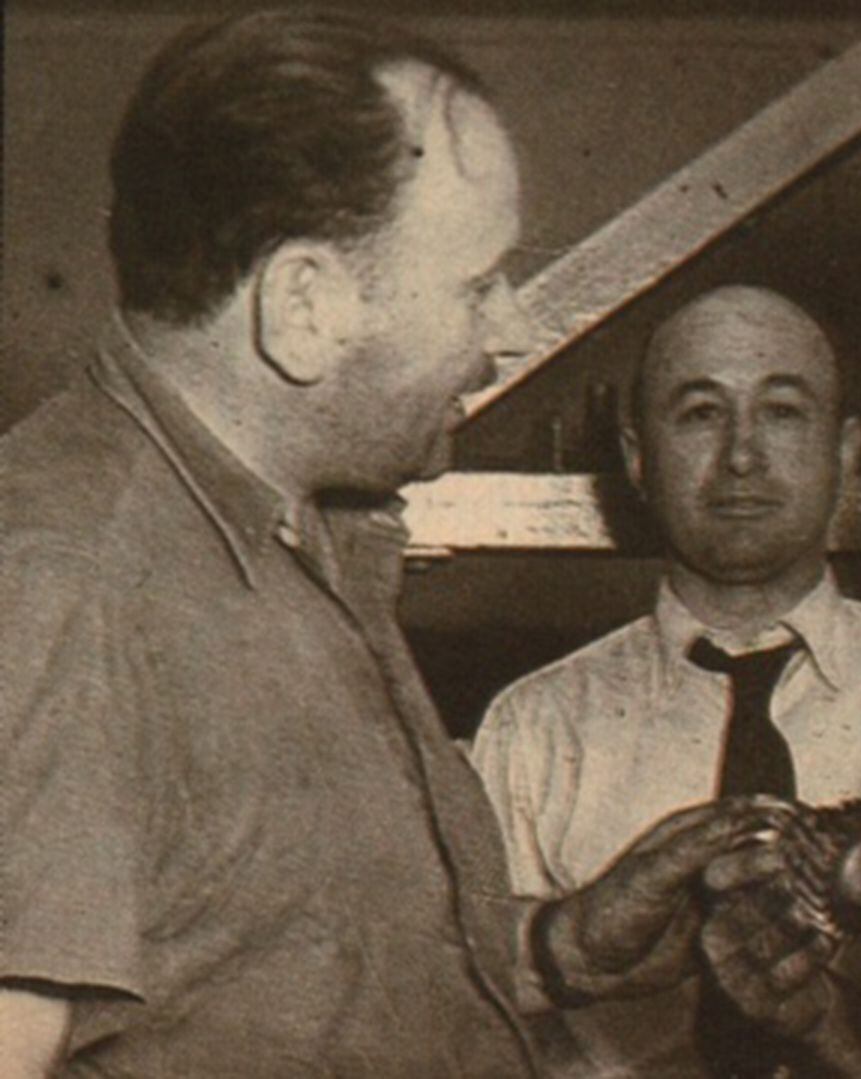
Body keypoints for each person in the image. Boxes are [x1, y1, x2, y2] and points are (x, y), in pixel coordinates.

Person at [0, 12, 773, 1075]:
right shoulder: (61, 585)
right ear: (304, 306)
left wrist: (559, 948)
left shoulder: (294, 531)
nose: (511, 329)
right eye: (477, 285)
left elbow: (257, 966)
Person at [470, 285, 861, 1076]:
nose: (741, 456)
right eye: (700, 413)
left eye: (783, 411)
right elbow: (470, 1020)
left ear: (845, 449)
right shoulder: (535, 726)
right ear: (637, 456)